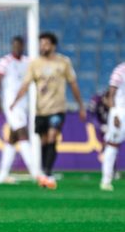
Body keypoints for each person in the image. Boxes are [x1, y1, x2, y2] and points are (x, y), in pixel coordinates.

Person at [10, 32, 86, 189]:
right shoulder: (35, 64)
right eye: (41, 44)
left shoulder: (64, 62)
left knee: (52, 137)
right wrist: (15, 102)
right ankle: (45, 172)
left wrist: (81, 106)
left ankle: (48, 173)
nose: (42, 47)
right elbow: (25, 85)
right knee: (44, 141)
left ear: (53, 46)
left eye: (45, 44)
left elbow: (73, 84)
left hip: (57, 109)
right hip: (40, 110)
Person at [0, 36, 40, 184]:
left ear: (23, 46)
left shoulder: (28, 62)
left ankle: (2, 175)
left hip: (24, 104)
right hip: (10, 104)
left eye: (19, 46)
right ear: (11, 46)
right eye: (14, 46)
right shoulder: (4, 61)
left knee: (13, 138)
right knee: (23, 133)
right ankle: (35, 173)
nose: (17, 48)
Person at [101, 62, 124, 191]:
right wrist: (114, 114)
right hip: (121, 113)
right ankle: (106, 180)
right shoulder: (120, 71)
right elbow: (111, 95)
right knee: (112, 145)